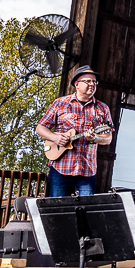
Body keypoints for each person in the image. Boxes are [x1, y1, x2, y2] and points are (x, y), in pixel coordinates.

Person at [36, 65, 114, 197]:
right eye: (88, 81)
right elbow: (40, 128)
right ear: (77, 84)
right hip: (60, 167)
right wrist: (55, 138)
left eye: (94, 82)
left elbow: (108, 138)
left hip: (87, 170)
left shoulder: (102, 108)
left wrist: (95, 138)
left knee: (84, 211)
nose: (92, 84)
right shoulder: (61, 103)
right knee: (58, 209)